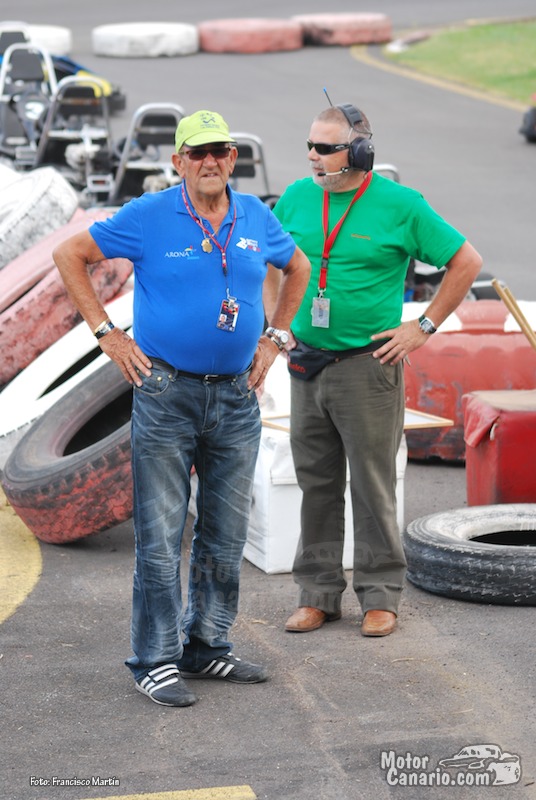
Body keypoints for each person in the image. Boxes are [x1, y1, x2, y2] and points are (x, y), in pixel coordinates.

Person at [53, 109, 310, 706]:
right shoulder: (149, 215)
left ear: (233, 159)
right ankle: (154, 659)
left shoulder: (256, 216)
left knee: (225, 534)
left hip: (237, 396)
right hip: (166, 393)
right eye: (197, 152)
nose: (210, 161)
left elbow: (297, 267)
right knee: (162, 536)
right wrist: (107, 334)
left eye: (220, 150)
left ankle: (206, 646)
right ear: (178, 161)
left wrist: (276, 338)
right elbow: (70, 255)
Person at [272, 102, 483, 637]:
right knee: (316, 483)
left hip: (368, 366)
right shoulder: (296, 197)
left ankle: (380, 595)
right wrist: (277, 325)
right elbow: (274, 263)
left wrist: (423, 326)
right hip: (306, 363)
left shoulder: (401, 205)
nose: (312, 156)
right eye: (309, 145)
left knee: (371, 485)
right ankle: (317, 594)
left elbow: (466, 262)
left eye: (325, 148)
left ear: (360, 152)